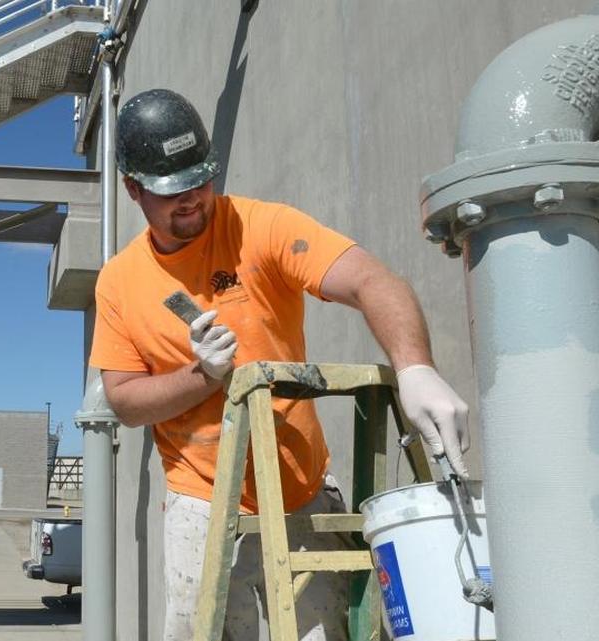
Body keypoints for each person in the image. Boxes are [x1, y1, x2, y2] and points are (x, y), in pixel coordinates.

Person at [88, 88, 470, 641]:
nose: (193, 198)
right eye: (173, 192)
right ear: (133, 189)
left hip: (300, 491)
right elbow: (123, 400)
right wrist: (202, 377)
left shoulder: (259, 228)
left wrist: (415, 368)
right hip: (199, 499)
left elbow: (372, 280)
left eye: (201, 179)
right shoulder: (121, 282)